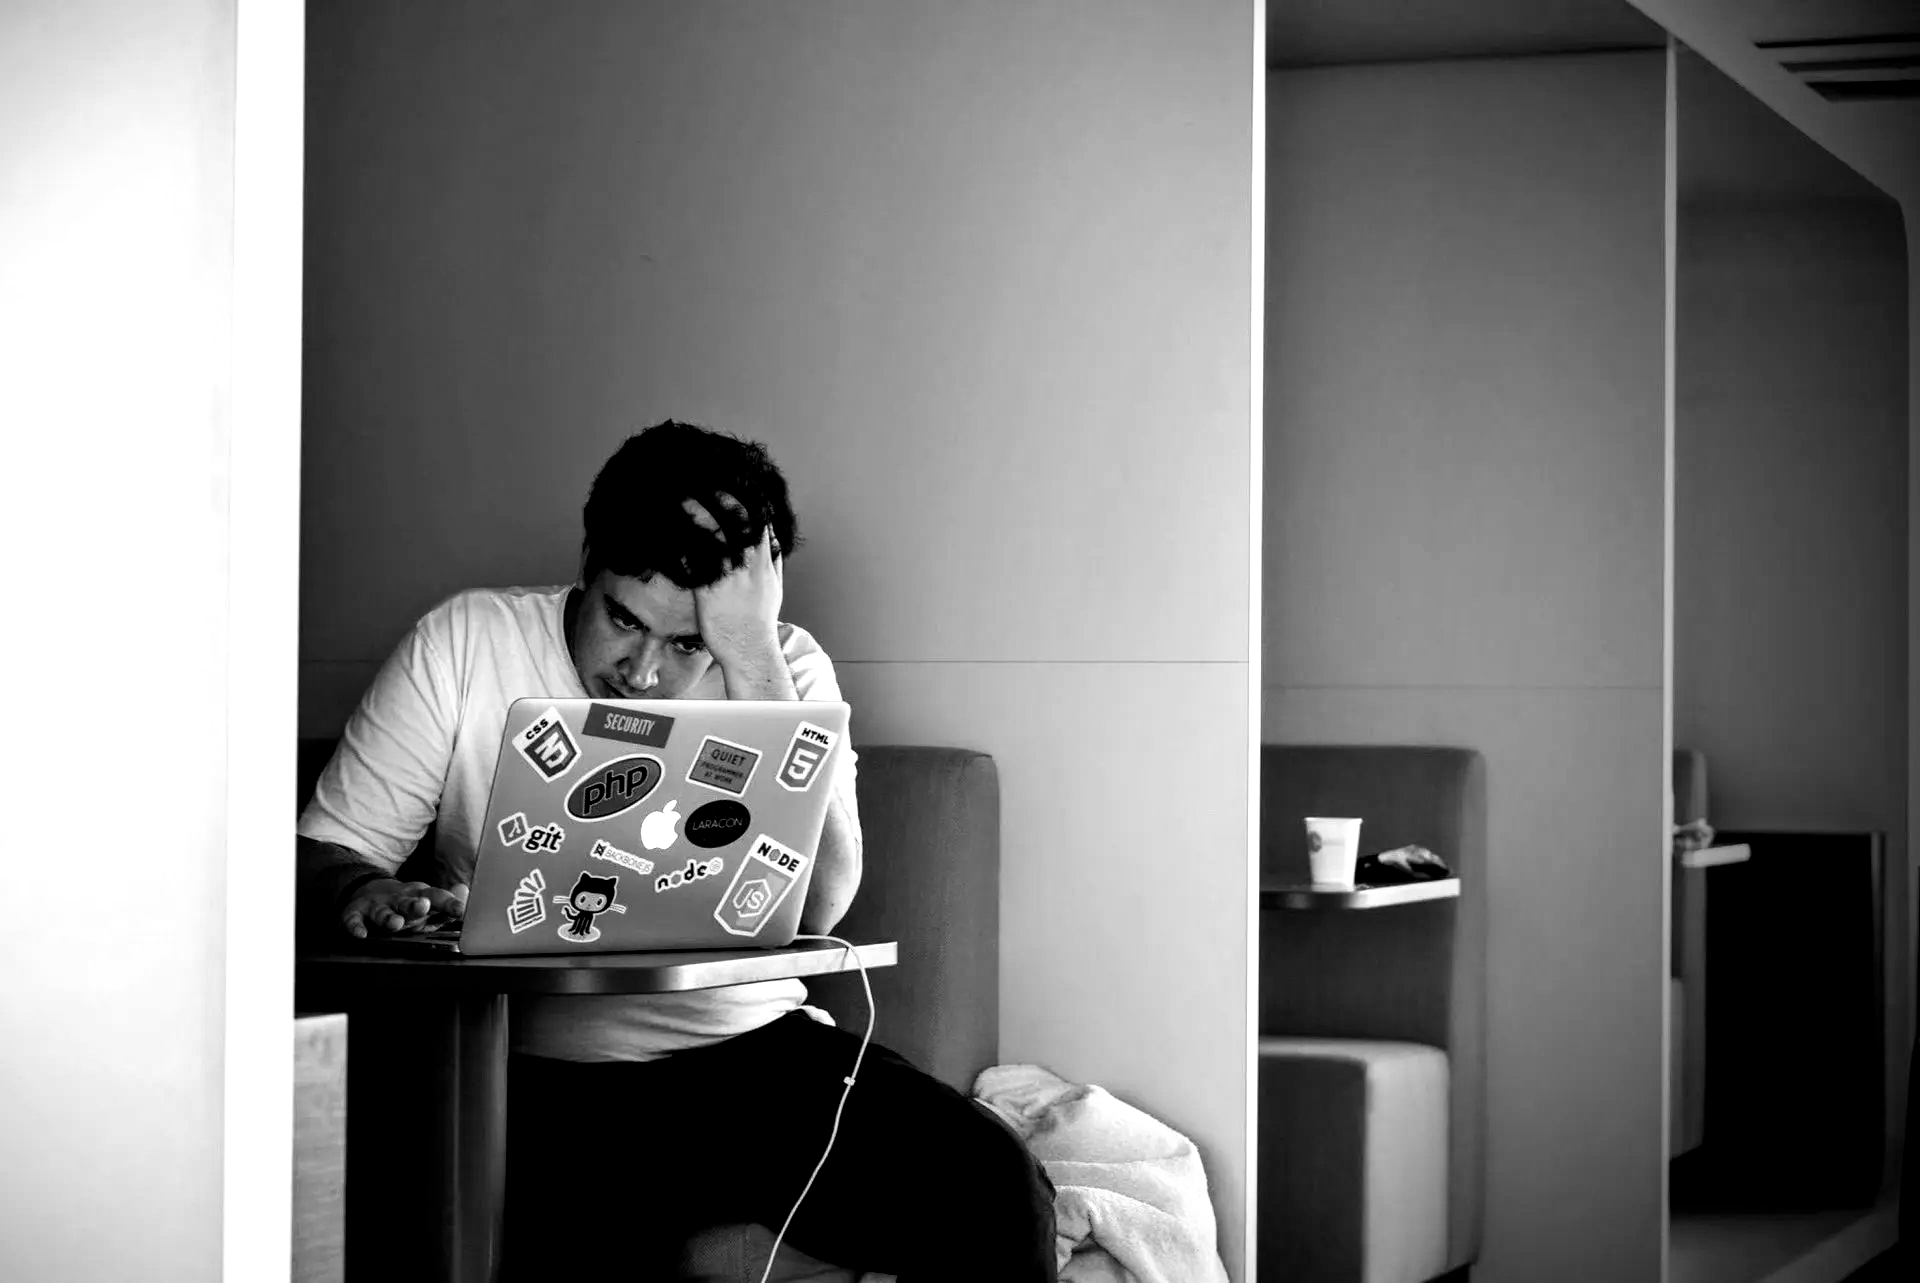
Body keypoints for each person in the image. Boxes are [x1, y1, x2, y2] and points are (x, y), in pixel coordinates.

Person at [296, 421, 1057, 1281]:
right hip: (529, 1072)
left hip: (750, 1057)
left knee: (1001, 1192)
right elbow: (323, 853)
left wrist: (751, 656)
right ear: (588, 562)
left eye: (688, 642)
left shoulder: (784, 668)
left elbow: (822, 903)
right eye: (623, 619)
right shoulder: (466, 642)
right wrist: (359, 889)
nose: (642, 671)